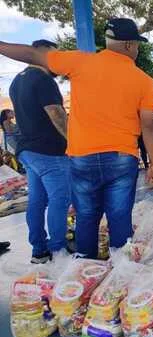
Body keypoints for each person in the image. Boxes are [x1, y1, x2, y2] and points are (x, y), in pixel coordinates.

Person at [0, 18, 153, 259]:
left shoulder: (80, 62)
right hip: (121, 157)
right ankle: (123, 274)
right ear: (128, 45)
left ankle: (84, 268)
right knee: (119, 217)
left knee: (86, 216)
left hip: (82, 156)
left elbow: (32, 55)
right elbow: (149, 125)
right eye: (137, 45)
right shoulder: (143, 81)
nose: (137, 50)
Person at [9, 39, 70, 263]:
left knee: (37, 199)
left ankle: (39, 250)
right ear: (41, 54)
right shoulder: (43, 80)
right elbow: (56, 114)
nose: (58, 62)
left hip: (28, 150)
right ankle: (58, 251)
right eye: (55, 56)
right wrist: (73, 142)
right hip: (49, 151)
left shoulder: (17, 80)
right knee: (60, 199)